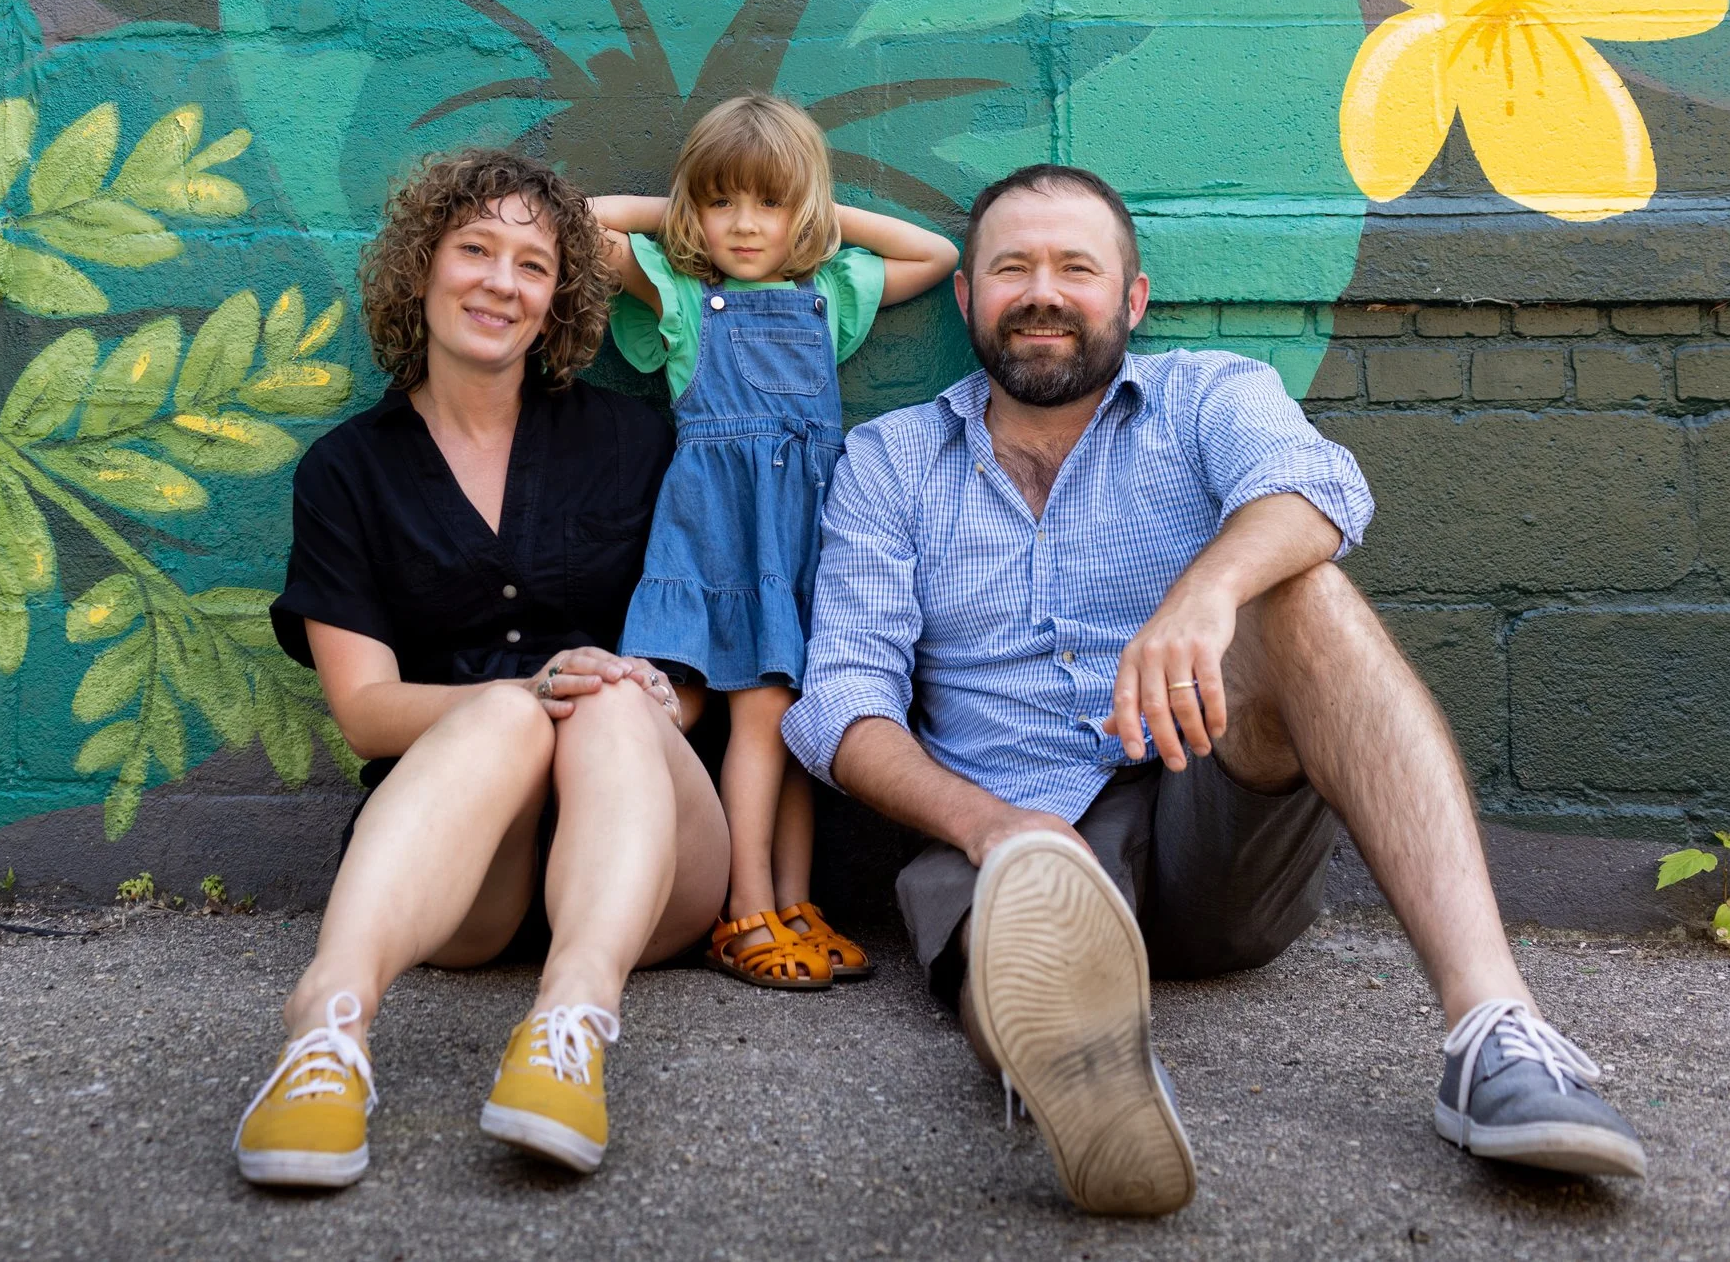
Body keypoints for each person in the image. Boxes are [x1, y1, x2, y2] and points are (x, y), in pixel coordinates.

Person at [783, 163, 1645, 1216]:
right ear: (967, 299)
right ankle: (1078, 1068)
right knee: (1011, 916)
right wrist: (991, 824)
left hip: (1208, 813)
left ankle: (1494, 1036)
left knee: (1306, 591)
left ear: (1131, 299)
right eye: (1011, 267)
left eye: (1075, 267)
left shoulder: (1207, 394)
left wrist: (1207, 590)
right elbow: (842, 705)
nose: (1042, 291)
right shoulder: (889, 460)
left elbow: (1320, 490)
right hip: (1011, 831)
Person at [235, 147, 729, 1189]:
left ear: (558, 302)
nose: (500, 281)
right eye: (474, 249)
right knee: (514, 711)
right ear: (421, 269)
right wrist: (520, 694)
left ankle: (569, 1029)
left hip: (654, 857)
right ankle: (325, 1031)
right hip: (464, 884)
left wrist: (638, 691)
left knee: (600, 696)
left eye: (534, 264)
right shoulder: (346, 471)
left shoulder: (634, 438)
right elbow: (366, 712)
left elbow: (697, 677)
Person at [592, 94, 956, 990]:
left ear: (806, 214)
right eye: (722, 202)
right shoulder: (683, 295)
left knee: (799, 714)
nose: (746, 225)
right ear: (695, 212)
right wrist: (672, 217)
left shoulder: (826, 292)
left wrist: (820, 220)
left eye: (770, 203)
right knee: (758, 709)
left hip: (807, 539)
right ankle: (744, 906)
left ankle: (795, 903)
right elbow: (577, 222)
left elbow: (938, 253)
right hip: (722, 535)